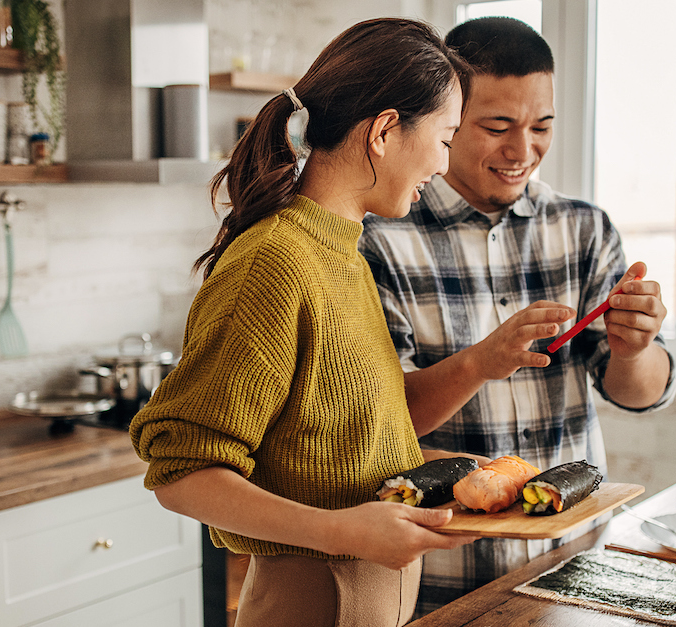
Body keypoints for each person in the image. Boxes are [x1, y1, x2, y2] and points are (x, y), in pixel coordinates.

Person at [130, 18, 480, 627]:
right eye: (445, 138)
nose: (445, 165)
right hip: (313, 600)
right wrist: (341, 531)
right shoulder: (276, 261)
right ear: (386, 130)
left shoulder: (343, 251)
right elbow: (181, 470)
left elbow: (344, 427)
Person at [358, 16, 676, 617]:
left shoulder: (584, 229)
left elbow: (638, 395)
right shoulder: (382, 240)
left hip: (578, 563)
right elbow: (385, 423)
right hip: (441, 575)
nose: (522, 151)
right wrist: (480, 363)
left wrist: (636, 349)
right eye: (497, 126)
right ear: (446, 118)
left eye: (542, 127)